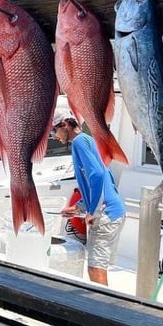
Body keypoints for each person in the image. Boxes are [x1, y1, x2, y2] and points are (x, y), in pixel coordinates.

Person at [55, 116, 126, 287]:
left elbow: (98, 176)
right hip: (115, 212)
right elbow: (105, 176)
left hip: (106, 215)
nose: (53, 136)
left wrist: (93, 211)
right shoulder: (87, 140)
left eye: (53, 130)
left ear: (65, 125)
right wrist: (80, 207)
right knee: (100, 267)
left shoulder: (79, 142)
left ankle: (104, 309)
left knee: (95, 269)